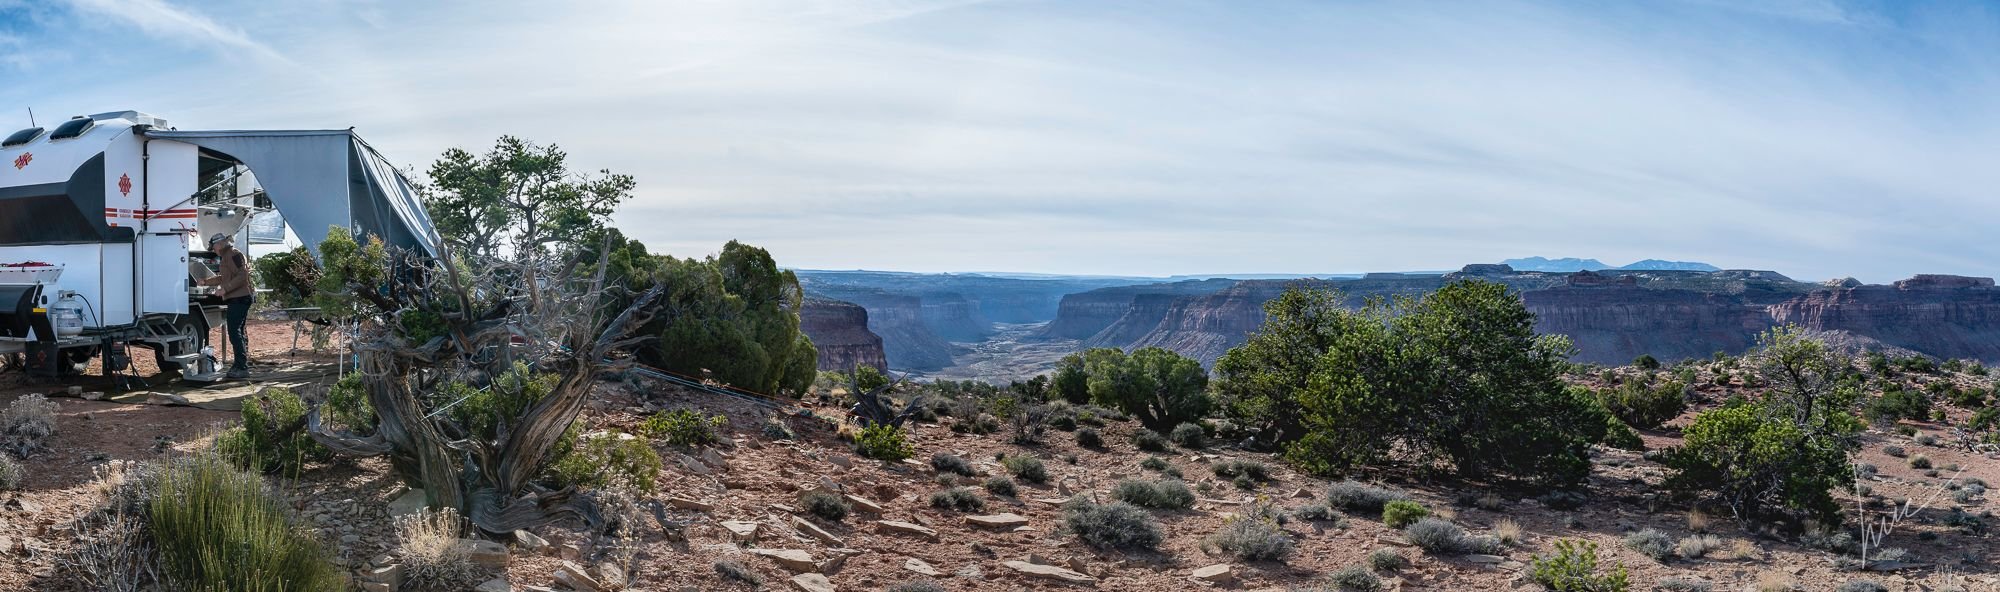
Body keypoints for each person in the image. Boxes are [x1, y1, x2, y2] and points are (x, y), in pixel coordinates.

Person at [198, 233, 254, 379]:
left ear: (221, 244)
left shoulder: (234, 254)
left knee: (235, 333)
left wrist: (225, 289)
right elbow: (223, 277)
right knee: (237, 333)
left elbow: (243, 276)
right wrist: (206, 282)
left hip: (240, 299)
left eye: (214, 247)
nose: (213, 250)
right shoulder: (226, 256)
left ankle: (242, 367)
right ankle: (240, 364)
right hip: (237, 299)